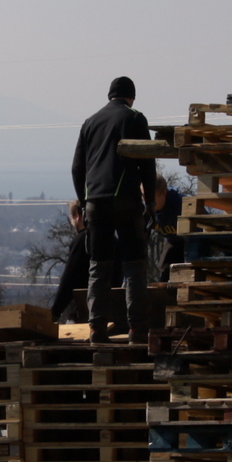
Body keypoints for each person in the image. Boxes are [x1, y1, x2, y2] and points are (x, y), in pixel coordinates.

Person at [71, 76, 157, 343]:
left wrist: (84, 202)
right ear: (131, 97)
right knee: (134, 266)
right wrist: (150, 202)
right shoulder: (135, 118)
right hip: (126, 201)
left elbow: (77, 168)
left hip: (96, 203)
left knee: (99, 267)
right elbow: (147, 164)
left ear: (110, 95)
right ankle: (137, 330)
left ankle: (96, 329)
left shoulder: (90, 122)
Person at [50, 201, 91, 324]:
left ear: (78, 216)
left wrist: (54, 313)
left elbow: (69, 279)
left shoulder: (82, 241)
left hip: (83, 313)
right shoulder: (113, 240)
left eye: (71, 217)